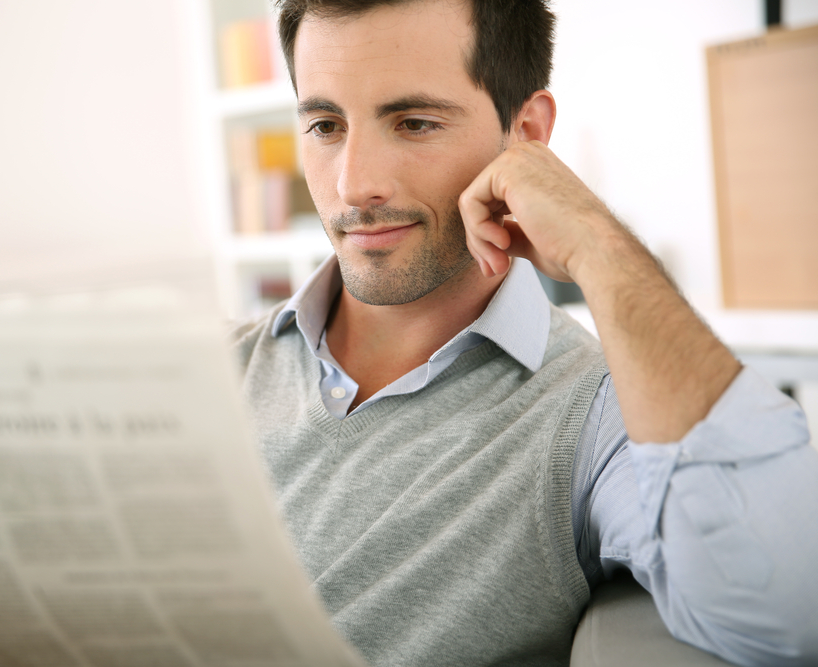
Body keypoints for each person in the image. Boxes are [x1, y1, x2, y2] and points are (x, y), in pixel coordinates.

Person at [231, 0, 818, 665]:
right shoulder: (213, 368)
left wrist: (596, 243)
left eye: (415, 121)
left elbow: (789, 615)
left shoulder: (594, 415)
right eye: (325, 124)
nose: (352, 183)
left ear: (527, 133)